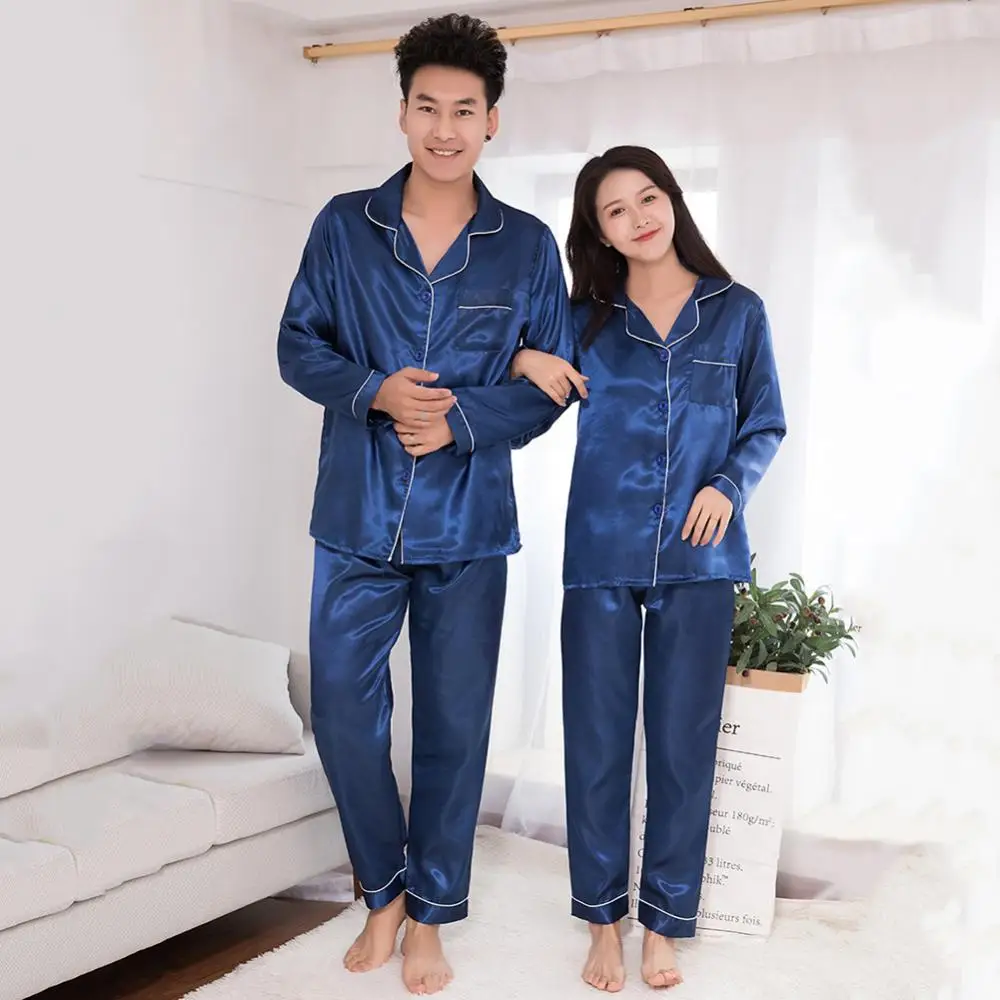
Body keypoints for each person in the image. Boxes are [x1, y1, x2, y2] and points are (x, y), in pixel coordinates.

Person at [276, 14, 580, 996]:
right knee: (344, 715)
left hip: (468, 524)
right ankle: (383, 891)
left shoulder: (525, 246)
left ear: (492, 121)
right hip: (355, 518)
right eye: (427, 107)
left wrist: (462, 419)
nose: (444, 129)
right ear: (402, 113)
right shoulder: (343, 227)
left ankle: (431, 916)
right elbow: (298, 346)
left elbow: (555, 382)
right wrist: (375, 391)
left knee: (454, 727)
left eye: (464, 111)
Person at [512, 145, 786, 991]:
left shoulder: (736, 311)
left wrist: (728, 485)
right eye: (616, 210)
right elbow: (518, 379)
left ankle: (664, 924)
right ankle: (603, 922)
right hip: (601, 551)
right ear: (599, 232)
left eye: (648, 197)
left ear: (673, 199)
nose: (639, 218)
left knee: (681, 747)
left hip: (700, 559)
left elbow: (765, 421)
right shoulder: (584, 320)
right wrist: (523, 358)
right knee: (596, 743)